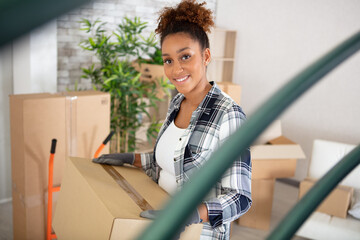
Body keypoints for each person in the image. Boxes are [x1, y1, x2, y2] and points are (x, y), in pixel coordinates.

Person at [93, 0, 252, 239]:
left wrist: (189, 214)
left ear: (206, 55)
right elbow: (170, 164)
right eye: (168, 60)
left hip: (197, 233)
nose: (176, 69)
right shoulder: (177, 102)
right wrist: (131, 158)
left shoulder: (228, 114)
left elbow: (240, 198)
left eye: (185, 57)